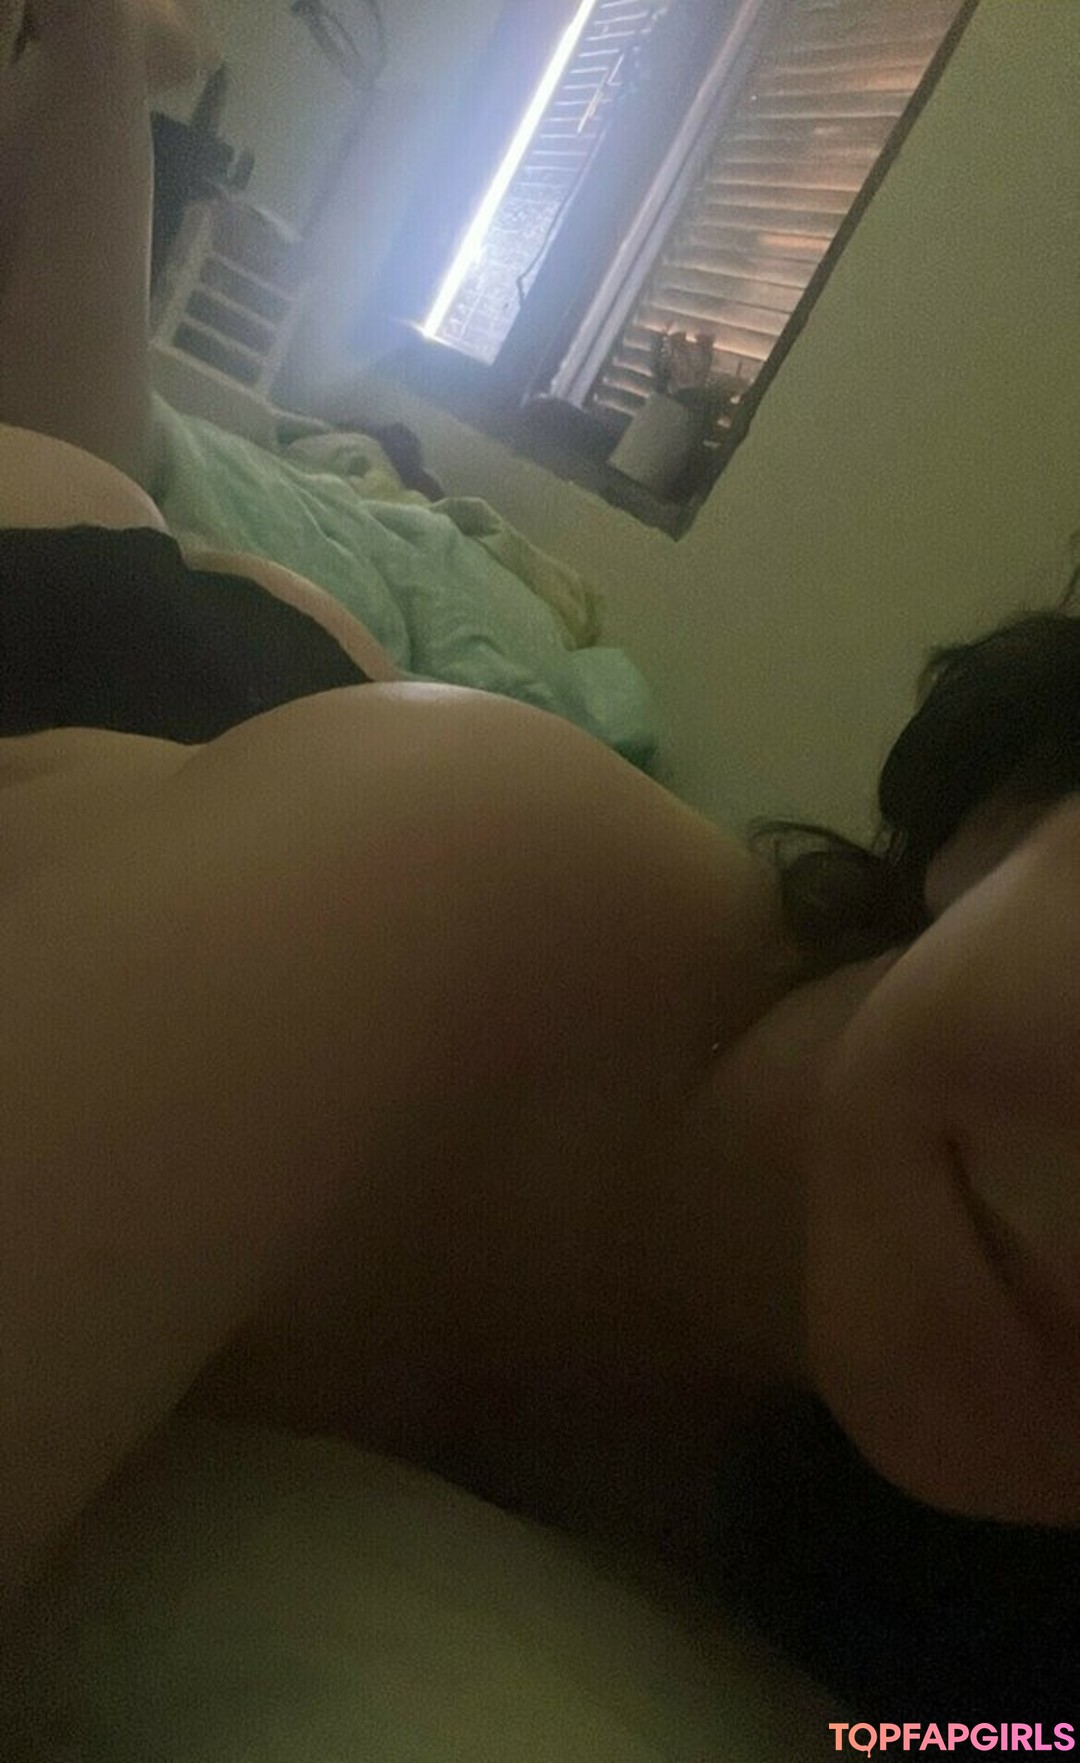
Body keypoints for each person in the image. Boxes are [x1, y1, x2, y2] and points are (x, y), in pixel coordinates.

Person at [1, 0, 1077, 1703]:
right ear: (1016, 801)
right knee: (70, 475)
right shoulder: (438, 879)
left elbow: (989, 1741)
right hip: (117, 660)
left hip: (279, 731)